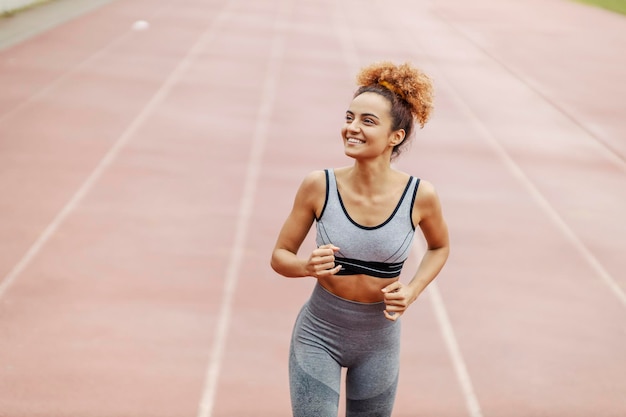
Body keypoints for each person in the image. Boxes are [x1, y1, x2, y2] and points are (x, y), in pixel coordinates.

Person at [270, 61, 450, 417]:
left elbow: (440, 246)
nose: (352, 128)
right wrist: (305, 266)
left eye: (368, 121)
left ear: (395, 137)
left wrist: (412, 290)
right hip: (318, 333)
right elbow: (280, 256)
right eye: (350, 117)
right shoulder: (318, 185)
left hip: (379, 342)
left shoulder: (420, 196)